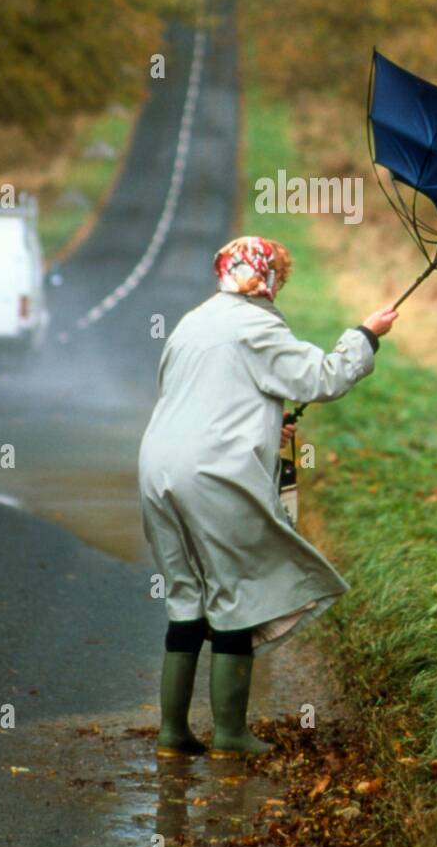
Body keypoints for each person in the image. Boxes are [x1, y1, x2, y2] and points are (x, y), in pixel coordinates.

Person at [138, 234, 398, 758]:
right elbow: (324, 377)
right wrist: (365, 335)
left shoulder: (194, 321)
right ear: (269, 278)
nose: (279, 286)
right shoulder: (257, 325)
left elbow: (205, 395)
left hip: (157, 466)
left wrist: (265, 419)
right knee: (239, 589)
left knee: (187, 594)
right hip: (213, 472)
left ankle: (172, 734)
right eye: (281, 276)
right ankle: (231, 735)